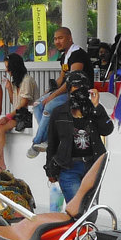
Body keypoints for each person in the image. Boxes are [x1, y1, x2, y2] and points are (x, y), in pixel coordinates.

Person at [44, 71, 112, 204]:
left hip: (92, 166)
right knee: (78, 208)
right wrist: (50, 170)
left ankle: (87, 225)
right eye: (75, 89)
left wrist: (96, 107)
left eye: (82, 89)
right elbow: (52, 142)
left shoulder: (94, 110)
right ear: (69, 91)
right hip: (69, 167)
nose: (78, 93)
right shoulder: (59, 112)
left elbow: (107, 129)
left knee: (91, 209)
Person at [28, 26, 87, 158]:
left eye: (60, 38)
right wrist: (48, 92)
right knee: (37, 104)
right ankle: (48, 139)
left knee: (49, 106)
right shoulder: (64, 56)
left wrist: (52, 96)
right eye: (55, 39)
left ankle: (36, 142)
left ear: (70, 38)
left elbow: (72, 81)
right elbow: (62, 78)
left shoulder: (77, 54)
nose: (57, 41)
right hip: (66, 91)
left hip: (78, 93)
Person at [0, 54, 37, 173]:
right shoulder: (17, 82)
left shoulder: (27, 80)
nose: (6, 70)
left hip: (25, 115)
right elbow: (14, 102)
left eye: (7, 67)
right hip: (18, 114)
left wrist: (8, 116)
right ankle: (1, 163)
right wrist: (9, 88)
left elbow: (23, 104)